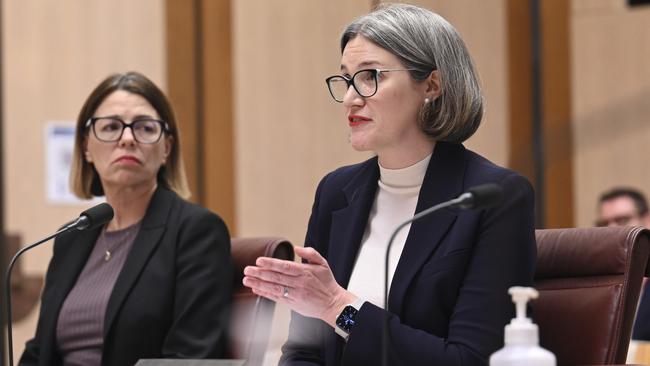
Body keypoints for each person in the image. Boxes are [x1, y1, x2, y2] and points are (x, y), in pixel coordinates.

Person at [242, 4, 536, 365]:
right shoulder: (336, 193)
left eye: (370, 76)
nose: (351, 97)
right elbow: (306, 350)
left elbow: (472, 360)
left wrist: (338, 307)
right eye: (347, 79)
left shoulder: (491, 198)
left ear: (431, 85)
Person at [19, 72, 233, 366]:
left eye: (145, 128)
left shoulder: (196, 232)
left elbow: (190, 357)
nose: (128, 139)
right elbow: (38, 351)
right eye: (111, 127)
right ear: (85, 147)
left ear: (166, 148)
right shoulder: (72, 237)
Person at [595, 187, 650, 340]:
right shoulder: (596, 286)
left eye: (622, 220)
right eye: (604, 223)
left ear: (647, 219)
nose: (611, 229)